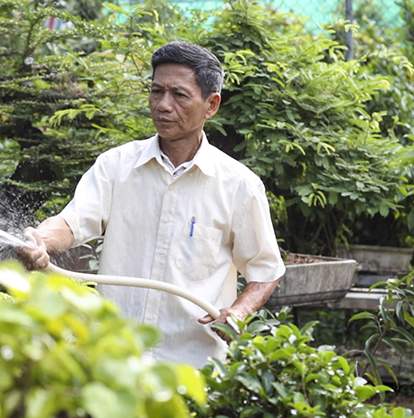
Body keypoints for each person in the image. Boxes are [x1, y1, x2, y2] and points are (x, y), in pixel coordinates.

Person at [17, 41, 285, 367]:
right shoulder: (116, 165)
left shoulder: (239, 185)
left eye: (179, 95)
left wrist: (239, 312)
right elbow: (72, 222)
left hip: (194, 366)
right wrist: (40, 241)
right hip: (115, 362)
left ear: (211, 105)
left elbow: (266, 268)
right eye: (156, 92)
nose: (162, 105)